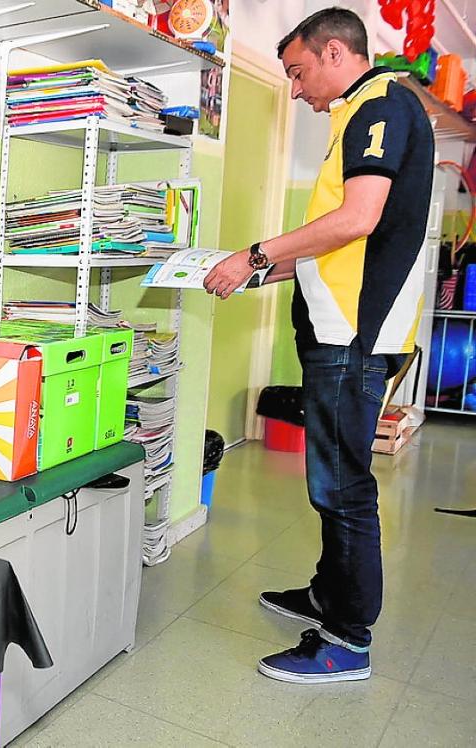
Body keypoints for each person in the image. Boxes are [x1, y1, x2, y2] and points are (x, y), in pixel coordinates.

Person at [203, 7, 433, 683]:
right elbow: (340, 242)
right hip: (341, 328)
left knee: (343, 488)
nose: (297, 91)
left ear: (337, 53)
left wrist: (253, 254)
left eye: (300, 73)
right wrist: (254, 270)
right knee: (333, 481)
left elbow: (356, 221)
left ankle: (347, 641)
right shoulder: (357, 114)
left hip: (355, 338)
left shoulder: (381, 106)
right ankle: (327, 595)